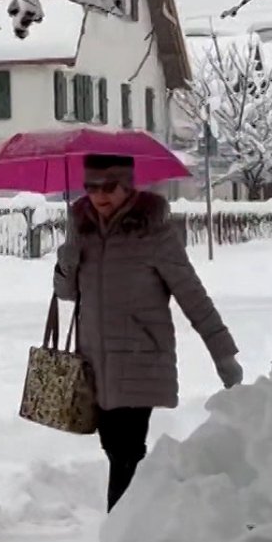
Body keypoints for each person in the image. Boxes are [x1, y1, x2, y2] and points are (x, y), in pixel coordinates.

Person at [54, 153, 243, 510]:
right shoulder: (83, 233)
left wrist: (223, 353)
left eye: (109, 186)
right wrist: (69, 256)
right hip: (95, 363)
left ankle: (121, 540)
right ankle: (137, 535)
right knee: (115, 450)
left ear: (127, 186)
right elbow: (66, 294)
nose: (100, 195)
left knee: (127, 452)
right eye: (91, 186)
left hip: (141, 359)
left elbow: (193, 295)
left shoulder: (154, 234)